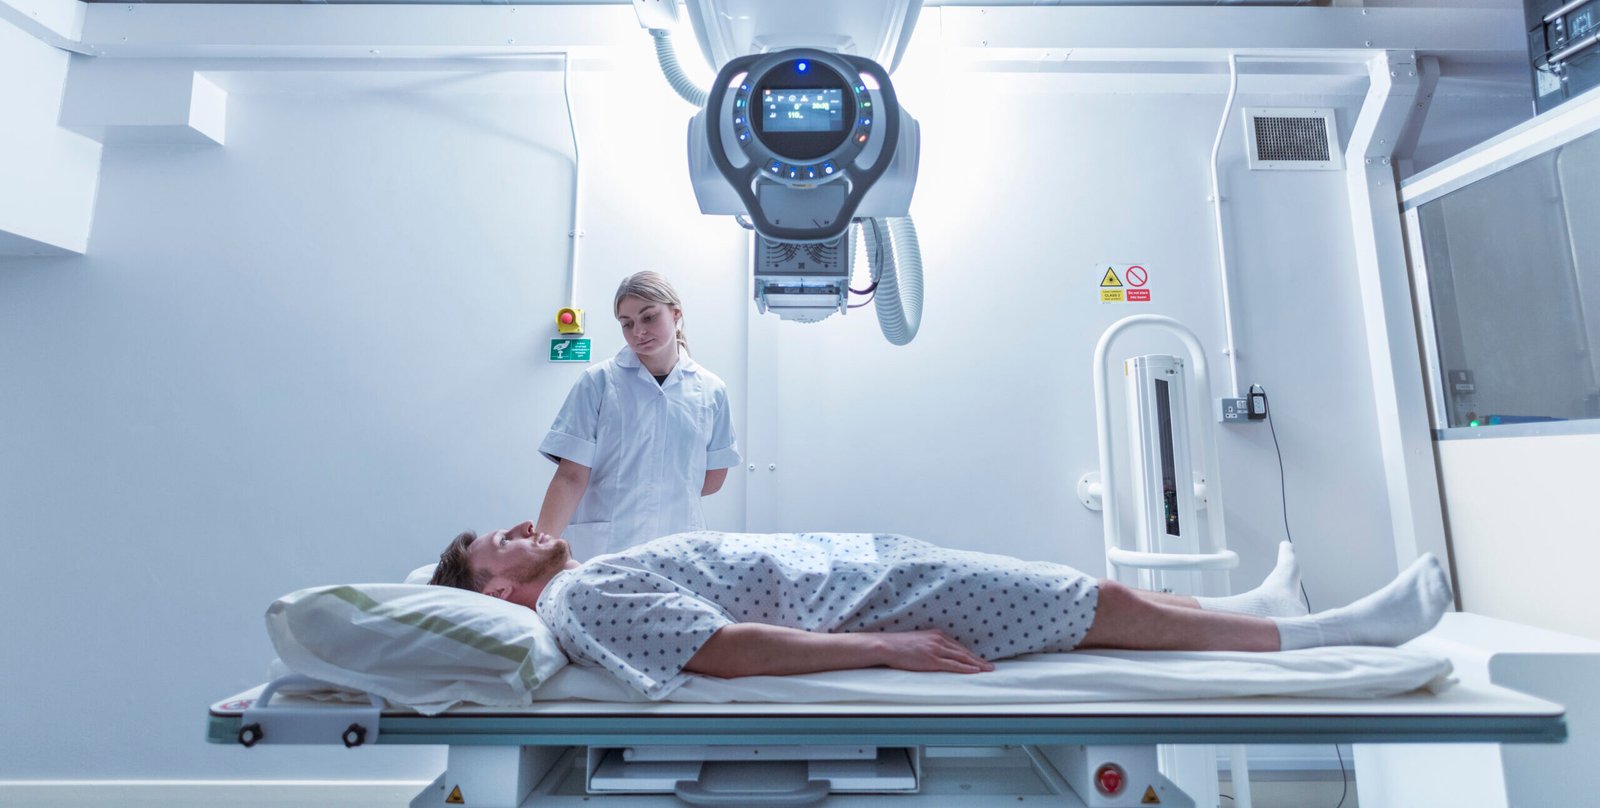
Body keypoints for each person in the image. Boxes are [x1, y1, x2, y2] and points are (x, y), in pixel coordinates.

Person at [430, 524, 1453, 700]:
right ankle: (1339, 632)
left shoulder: (579, 583)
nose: (520, 530)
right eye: (498, 545)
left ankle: (1261, 607)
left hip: (867, 571)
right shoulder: (581, 594)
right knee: (1091, 600)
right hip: (874, 602)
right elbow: (721, 651)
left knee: (1085, 593)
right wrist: (888, 646)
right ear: (500, 595)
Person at [533, 271, 741, 558]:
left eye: (648, 317)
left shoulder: (711, 390)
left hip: (679, 546)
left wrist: (656, 493)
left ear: (676, 313)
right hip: (603, 547)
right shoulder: (598, 382)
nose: (638, 332)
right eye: (626, 324)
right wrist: (538, 556)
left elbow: (713, 478)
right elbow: (570, 477)